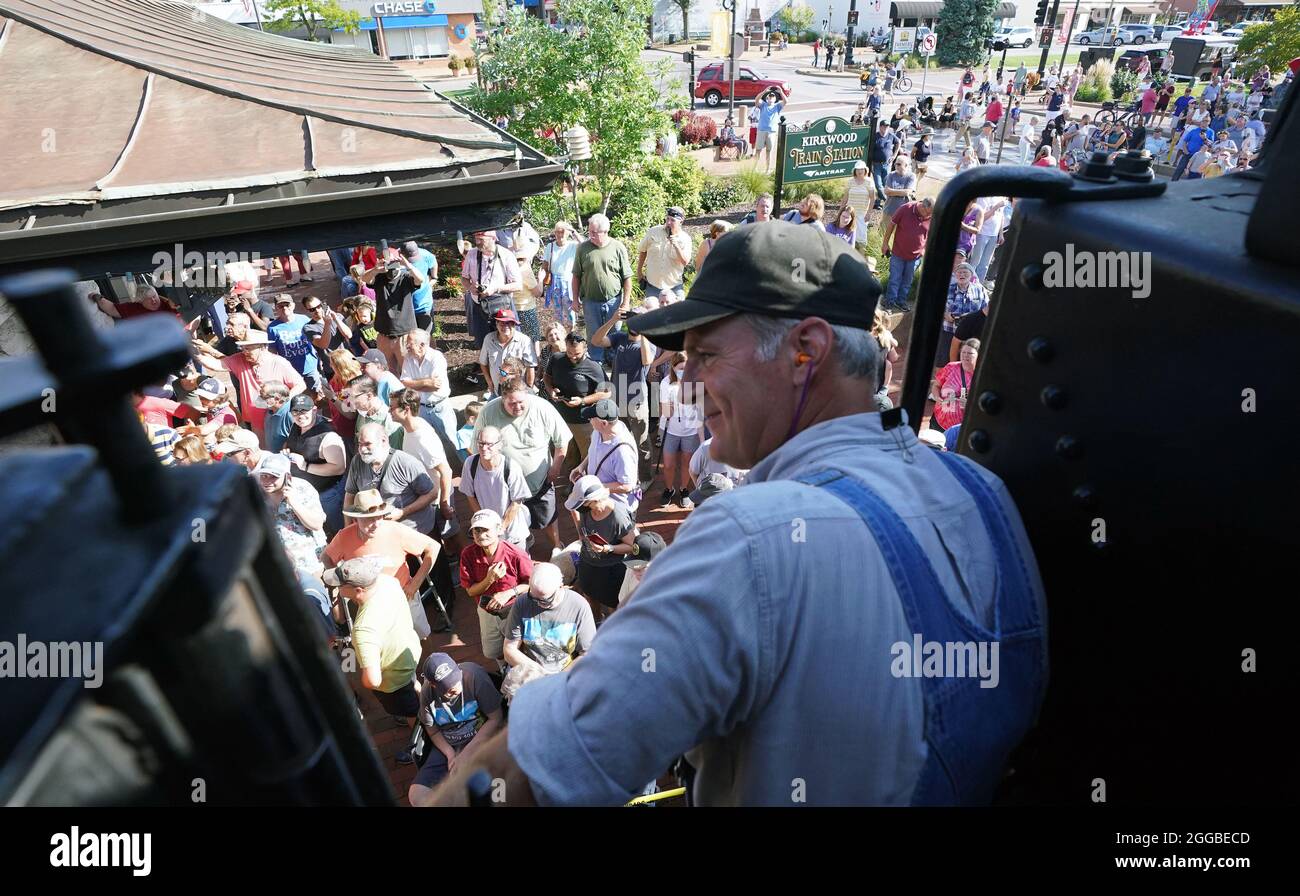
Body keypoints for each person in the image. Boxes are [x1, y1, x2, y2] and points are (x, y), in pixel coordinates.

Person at [419, 222, 1046, 807]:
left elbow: (539, 768)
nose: (686, 380)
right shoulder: (982, 492)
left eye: (706, 354)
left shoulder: (749, 538)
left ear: (806, 349)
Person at [324, 557, 422, 762]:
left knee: (413, 712)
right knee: (414, 692)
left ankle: (421, 746)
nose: (336, 588)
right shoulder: (388, 582)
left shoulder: (363, 628)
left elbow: (374, 680)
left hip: (393, 679)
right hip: (408, 653)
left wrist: (362, 681)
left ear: (358, 590)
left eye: (340, 585)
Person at [407, 653, 503, 805]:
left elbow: (495, 718)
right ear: (433, 685)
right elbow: (433, 730)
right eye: (448, 688)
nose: (456, 687)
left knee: (497, 787)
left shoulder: (474, 677)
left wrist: (466, 753)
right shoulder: (427, 693)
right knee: (417, 794)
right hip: (448, 742)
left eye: (456, 680)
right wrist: (450, 755)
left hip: (481, 736)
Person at [192, 328, 305, 444]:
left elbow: (300, 385)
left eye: (248, 348)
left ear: (262, 347)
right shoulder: (240, 358)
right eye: (243, 348)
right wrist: (195, 354)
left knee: (281, 448)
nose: (244, 351)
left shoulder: (279, 362)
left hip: (278, 418)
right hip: (255, 419)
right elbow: (216, 365)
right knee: (261, 449)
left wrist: (283, 403)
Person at [323, 489, 439, 599]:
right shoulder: (344, 537)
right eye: (369, 519)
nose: (376, 524)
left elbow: (433, 547)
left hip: (402, 595)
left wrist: (415, 584)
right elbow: (326, 556)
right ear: (355, 520)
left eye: (379, 517)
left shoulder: (395, 530)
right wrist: (341, 582)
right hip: (368, 601)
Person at [459, 508, 533, 670]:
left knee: (520, 648)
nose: (480, 535)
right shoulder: (468, 554)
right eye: (476, 531)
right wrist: (490, 579)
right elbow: (471, 591)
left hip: (513, 611)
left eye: (485, 529)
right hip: (486, 611)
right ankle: (503, 669)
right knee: (494, 650)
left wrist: (508, 593)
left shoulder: (516, 554)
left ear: (499, 529)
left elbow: (531, 585)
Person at [503, 562, 596, 677]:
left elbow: (588, 653)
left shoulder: (579, 605)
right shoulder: (523, 602)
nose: (538, 603)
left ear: (561, 586)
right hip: (530, 671)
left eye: (545, 600)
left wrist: (558, 679)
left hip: (564, 673)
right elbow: (509, 649)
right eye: (532, 597)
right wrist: (540, 674)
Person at [344, 422, 438, 536]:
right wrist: (349, 530)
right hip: (381, 533)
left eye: (367, 444)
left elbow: (432, 493)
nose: (362, 449)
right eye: (360, 444)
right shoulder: (357, 462)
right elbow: (350, 496)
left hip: (414, 532)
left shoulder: (405, 462)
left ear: (383, 441)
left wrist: (403, 512)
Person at [565, 475, 637, 618]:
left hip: (610, 569)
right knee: (589, 595)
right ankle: (596, 621)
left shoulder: (618, 517)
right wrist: (581, 532)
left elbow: (632, 546)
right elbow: (574, 510)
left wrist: (608, 548)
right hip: (588, 562)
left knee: (612, 605)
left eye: (584, 504)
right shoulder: (585, 509)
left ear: (594, 500)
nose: (581, 508)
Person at [253, 452, 327, 578]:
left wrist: (293, 502)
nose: (267, 481)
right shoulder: (257, 493)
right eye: (264, 476)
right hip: (277, 563)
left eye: (273, 476)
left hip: (308, 561)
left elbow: (316, 524)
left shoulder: (303, 489)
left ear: (288, 477)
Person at [571, 214, 633, 363]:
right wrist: (575, 299)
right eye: (589, 231)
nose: (590, 235)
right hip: (590, 302)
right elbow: (576, 276)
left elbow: (627, 277)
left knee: (615, 333)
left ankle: (616, 363)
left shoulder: (618, 247)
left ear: (605, 231)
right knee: (594, 335)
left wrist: (625, 303)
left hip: (614, 301)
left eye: (594, 232)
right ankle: (596, 364)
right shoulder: (583, 248)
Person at [459, 426, 533, 550]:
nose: (484, 448)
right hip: (487, 532)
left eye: (489, 444)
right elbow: (470, 496)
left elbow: (516, 502)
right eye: (481, 443)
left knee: (520, 566)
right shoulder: (470, 463)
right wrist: (484, 523)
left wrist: (500, 529)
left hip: (512, 532)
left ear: (499, 445)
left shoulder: (511, 467)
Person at [286, 393, 349, 535]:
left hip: (327, 494)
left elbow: (339, 468)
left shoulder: (328, 436)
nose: (300, 415)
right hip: (306, 493)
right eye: (296, 411)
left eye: (304, 411)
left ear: (314, 410)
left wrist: (305, 466)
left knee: (337, 531)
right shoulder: (297, 426)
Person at [544, 332, 610, 463]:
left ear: (585, 349)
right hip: (560, 419)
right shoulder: (556, 359)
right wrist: (550, 389)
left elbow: (607, 393)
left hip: (583, 421)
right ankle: (571, 481)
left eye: (577, 354)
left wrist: (583, 401)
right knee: (567, 455)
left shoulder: (594, 367)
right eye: (569, 353)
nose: (573, 357)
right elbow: (547, 377)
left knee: (588, 456)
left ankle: (585, 481)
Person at [357, 245, 425, 371]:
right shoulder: (379, 278)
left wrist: (408, 265)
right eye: (389, 264)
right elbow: (364, 278)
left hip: (404, 336)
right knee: (388, 370)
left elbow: (420, 279)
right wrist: (376, 269)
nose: (391, 267)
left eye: (394, 263)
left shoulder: (406, 278)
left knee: (408, 371)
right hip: (384, 336)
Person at [461, 230, 522, 351]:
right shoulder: (472, 254)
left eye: (481, 240)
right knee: (483, 341)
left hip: (502, 307)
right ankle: (486, 367)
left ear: (493, 238)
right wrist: (470, 287)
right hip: (479, 305)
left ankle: (509, 367)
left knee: (508, 340)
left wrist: (495, 289)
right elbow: (464, 278)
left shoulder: (506, 255)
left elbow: (518, 285)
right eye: (476, 239)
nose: (477, 242)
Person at [658, 352, 704, 509]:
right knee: (669, 464)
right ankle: (669, 489)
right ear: (673, 367)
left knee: (687, 463)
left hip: (690, 432)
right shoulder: (666, 383)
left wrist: (703, 440)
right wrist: (670, 406)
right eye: (681, 368)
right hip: (670, 430)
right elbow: (666, 413)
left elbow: (699, 412)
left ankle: (684, 489)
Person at [398, 328, 457, 447]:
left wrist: (413, 384)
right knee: (426, 443)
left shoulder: (437, 358)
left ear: (422, 345)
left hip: (440, 408)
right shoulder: (408, 359)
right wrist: (425, 382)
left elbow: (435, 386)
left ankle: (468, 464)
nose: (407, 346)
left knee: (453, 441)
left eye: (410, 344)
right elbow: (404, 383)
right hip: (421, 409)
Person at [880, 197, 934, 312]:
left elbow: (931, 234)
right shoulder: (906, 208)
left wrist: (924, 250)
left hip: (916, 257)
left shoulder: (932, 215)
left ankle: (901, 301)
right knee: (895, 278)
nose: (928, 216)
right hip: (898, 253)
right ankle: (890, 302)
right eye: (927, 213)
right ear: (923, 206)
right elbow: (891, 225)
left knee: (907, 281)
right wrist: (885, 244)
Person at [267, 294, 321, 392]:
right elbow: (272, 351)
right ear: (276, 308)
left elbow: (316, 340)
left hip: (310, 364)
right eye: (280, 306)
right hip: (291, 369)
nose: (284, 308)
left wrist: (320, 358)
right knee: (298, 396)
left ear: (293, 305)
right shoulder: (272, 328)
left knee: (317, 392)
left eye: (287, 305)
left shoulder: (304, 319)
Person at [939, 263, 989, 368]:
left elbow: (987, 309)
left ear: (971, 275)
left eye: (965, 272)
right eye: (959, 272)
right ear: (955, 275)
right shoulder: (947, 289)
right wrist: (945, 315)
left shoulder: (980, 289)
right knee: (943, 362)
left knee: (970, 363)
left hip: (970, 334)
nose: (962, 274)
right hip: (949, 330)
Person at [478, 308, 537, 396]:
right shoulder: (489, 339)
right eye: (502, 323)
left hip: (518, 391)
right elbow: (483, 363)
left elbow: (530, 367)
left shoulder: (524, 341)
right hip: (497, 390)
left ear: (514, 324)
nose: (505, 326)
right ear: (496, 324)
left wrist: (529, 388)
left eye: (509, 323)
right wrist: (489, 383)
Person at [637, 207, 691, 301]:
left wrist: (676, 245)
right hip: (653, 286)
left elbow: (685, 261)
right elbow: (643, 250)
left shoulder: (685, 239)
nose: (669, 223)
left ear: (681, 221)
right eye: (667, 219)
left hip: (674, 286)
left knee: (678, 314)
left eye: (672, 220)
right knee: (652, 314)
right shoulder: (653, 231)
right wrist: (639, 271)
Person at [930, 338, 979, 431]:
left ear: (978, 355)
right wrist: (937, 397)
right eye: (963, 352)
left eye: (970, 353)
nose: (965, 356)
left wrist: (970, 405)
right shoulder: (950, 367)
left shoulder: (980, 376)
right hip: (938, 422)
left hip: (959, 430)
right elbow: (936, 386)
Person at [753, 88, 787, 171]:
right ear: (767, 98)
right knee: (758, 150)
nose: (771, 98)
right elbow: (756, 100)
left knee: (769, 151)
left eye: (773, 96)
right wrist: (764, 92)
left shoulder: (777, 106)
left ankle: (767, 169)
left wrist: (781, 92)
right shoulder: (763, 105)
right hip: (761, 130)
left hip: (771, 132)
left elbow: (785, 101)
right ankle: (754, 168)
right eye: (769, 96)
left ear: (775, 99)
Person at [843, 162, 875, 245]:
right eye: (857, 169)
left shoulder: (869, 181)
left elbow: (872, 198)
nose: (859, 171)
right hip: (850, 212)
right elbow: (845, 198)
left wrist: (869, 213)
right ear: (855, 170)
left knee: (861, 238)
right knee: (847, 236)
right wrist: (841, 211)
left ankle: (861, 255)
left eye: (861, 169)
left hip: (862, 213)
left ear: (865, 170)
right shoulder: (850, 181)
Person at [881, 156, 916, 221]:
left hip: (903, 212)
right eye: (895, 164)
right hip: (889, 210)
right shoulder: (891, 175)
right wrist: (901, 192)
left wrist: (891, 191)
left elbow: (907, 192)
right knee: (884, 230)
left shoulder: (911, 176)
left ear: (906, 165)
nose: (896, 165)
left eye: (899, 164)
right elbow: (886, 191)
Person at [871, 120, 896, 206]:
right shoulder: (875, 136)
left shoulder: (891, 136)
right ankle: (887, 202)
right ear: (880, 127)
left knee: (885, 184)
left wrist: (894, 155)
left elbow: (898, 142)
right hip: (876, 164)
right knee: (878, 185)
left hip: (887, 164)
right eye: (884, 126)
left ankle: (877, 203)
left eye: (887, 126)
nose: (886, 128)